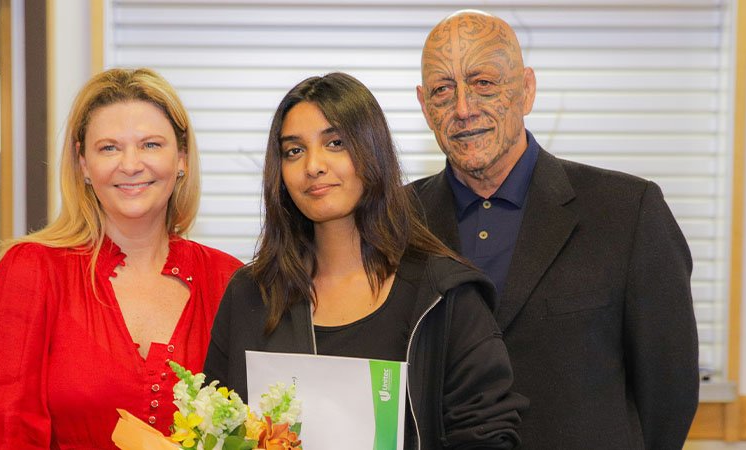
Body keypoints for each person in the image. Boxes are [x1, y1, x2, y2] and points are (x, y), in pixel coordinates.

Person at [411, 10, 699, 450]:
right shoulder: (396, 220)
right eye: (443, 90)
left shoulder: (628, 212)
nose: (463, 109)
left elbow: (669, 388)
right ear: (424, 106)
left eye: (483, 83)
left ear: (526, 90)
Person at [204, 72, 528, 449]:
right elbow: (219, 428)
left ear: (372, 151)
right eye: (294, 151)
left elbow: (487, 437)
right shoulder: (250, 294)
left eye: (335, 143)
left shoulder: (444, 296)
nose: (313, 166)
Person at [0, 68, 243, 448]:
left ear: (182, 158)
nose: (130, 164)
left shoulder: (231, 280)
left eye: (150, 145)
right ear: (83, 164)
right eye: (109, 147)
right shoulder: (31, 271)